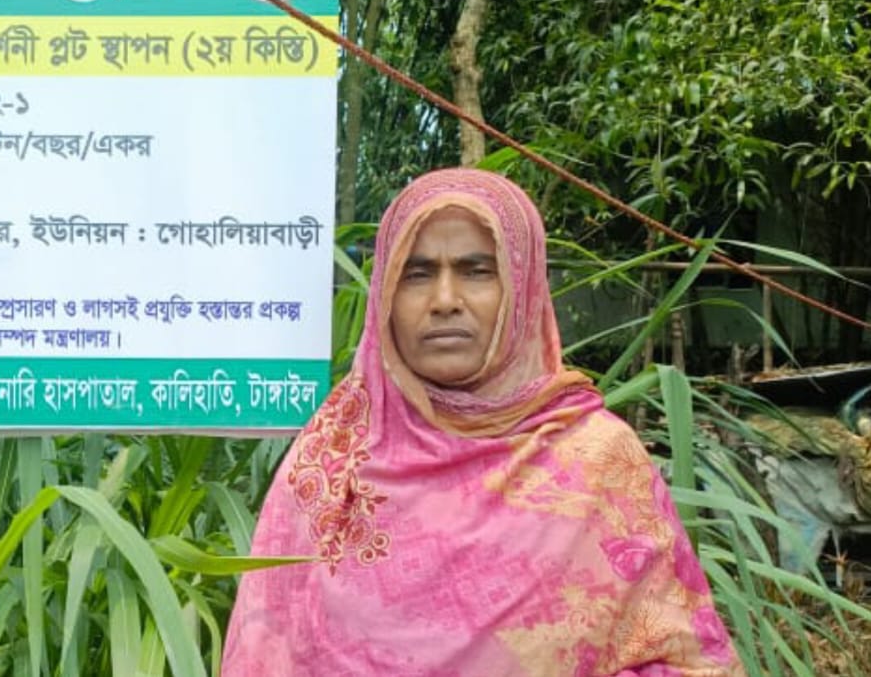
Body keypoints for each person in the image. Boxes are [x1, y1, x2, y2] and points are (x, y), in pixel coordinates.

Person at [221, 168, 744, 677]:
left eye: (476, 271)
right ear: (385, 293)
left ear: (523, 287)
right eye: (417, 273)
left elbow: (689, 660)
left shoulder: (596, 460)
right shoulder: (332, 460)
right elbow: (265, 650)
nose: (445, 301)